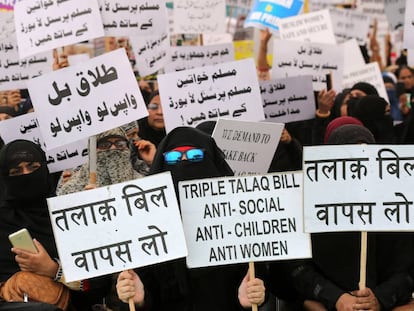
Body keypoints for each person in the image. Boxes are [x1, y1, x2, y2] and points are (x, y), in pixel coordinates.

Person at [116, 127, 265, 311]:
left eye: (195, 155)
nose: (184, 162)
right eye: (173, 158)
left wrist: (249, 299)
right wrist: (139, 299)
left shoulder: (241, 220)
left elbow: (256, 281)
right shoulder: (145, 225)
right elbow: (144, 291)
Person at [278, 124, 414, 311]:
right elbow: (298, 269)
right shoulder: (312, 207)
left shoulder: (394, 207)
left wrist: (380, 299)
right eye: (350, 156)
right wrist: (336, 298)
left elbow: (407, 271)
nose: (358, 165)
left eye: (366, 155)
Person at [0, 140, 111, 310]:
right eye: (16, 172)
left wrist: (53, 270)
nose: (26, 175)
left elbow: (99, 284)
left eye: (33, 167)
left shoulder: (69, 215)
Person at [56, 127, 152, 195]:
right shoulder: (70, 189)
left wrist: (152, 161)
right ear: (92, 150)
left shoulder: (143, 184)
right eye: (105, 145)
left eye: (120, 144)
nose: (114, 148)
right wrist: (84, 199)